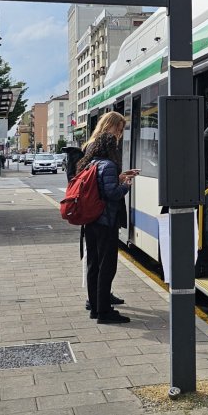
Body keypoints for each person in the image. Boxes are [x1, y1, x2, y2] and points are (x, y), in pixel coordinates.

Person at [75, 111, 136, 324]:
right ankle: (104, 312)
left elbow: (100, 186)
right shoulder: (108, 165)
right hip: (105, 220)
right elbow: (111, 193)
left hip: (90, 220)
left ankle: (95, 307)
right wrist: (125, 186)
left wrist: (118, 178)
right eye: (118, 134)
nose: (119, 138)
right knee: (106, 266)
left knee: (93, 264)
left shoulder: (91, 162)